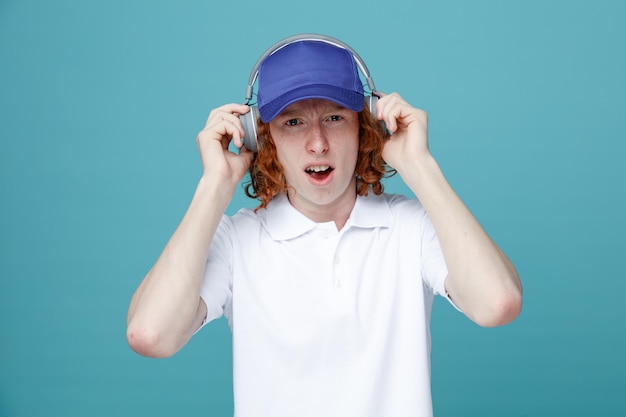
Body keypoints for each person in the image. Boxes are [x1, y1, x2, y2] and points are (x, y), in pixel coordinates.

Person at [126, 34, 522, 417]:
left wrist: (420, 166)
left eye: (334, 117)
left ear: (365, 128)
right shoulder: (237, 240)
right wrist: (214, 186)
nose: (317, 143)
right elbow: (151, 334)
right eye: (293, 122)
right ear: (263, 139)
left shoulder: (410, 228)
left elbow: (496, 304)